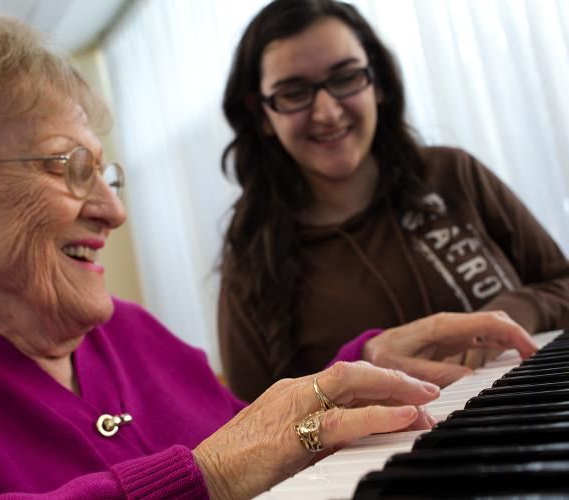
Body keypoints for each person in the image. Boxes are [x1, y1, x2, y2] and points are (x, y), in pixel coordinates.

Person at [0, 11, 538, 500]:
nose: (113, 211)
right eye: (67, 169)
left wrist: (360, 369)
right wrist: (201, 482)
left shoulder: (131, 331)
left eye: (104, 173)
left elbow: (249, 440)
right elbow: (219, 465)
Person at [218, 0, 569, 402]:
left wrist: (518, 307)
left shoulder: (454, 173)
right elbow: (252, 422)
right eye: (294, 93)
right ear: (261, 114)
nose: (328, 112)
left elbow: (561, 282)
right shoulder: (249, 258)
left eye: (346, 77)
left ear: (378, 82)